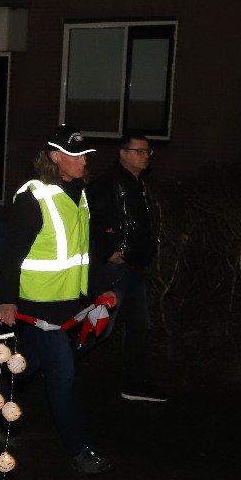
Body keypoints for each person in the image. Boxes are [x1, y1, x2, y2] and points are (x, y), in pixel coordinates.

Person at [0, 126, 116, 475]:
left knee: (28, 365)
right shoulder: (34, 196)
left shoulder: (80, 194)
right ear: (54, 157)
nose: (83, 161)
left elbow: (81, 251)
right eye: (75, 155)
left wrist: (98, 291)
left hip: (66, 303)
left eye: (85, 155)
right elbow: (11, 253)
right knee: (63, 375)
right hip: (37, 306)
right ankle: (80, 449)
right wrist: (7, 300)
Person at [86, 131, 164, 402]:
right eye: (138, 151)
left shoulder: (138, 184)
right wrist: (108, 251)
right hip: (114, 269)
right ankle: (52, 363)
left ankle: (133, 384)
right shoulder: (109, 182)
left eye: (147, 152)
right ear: (123, 153)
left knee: (139, 325)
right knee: (99, 327)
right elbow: (92, 218)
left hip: (133, 268)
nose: (144, 156)